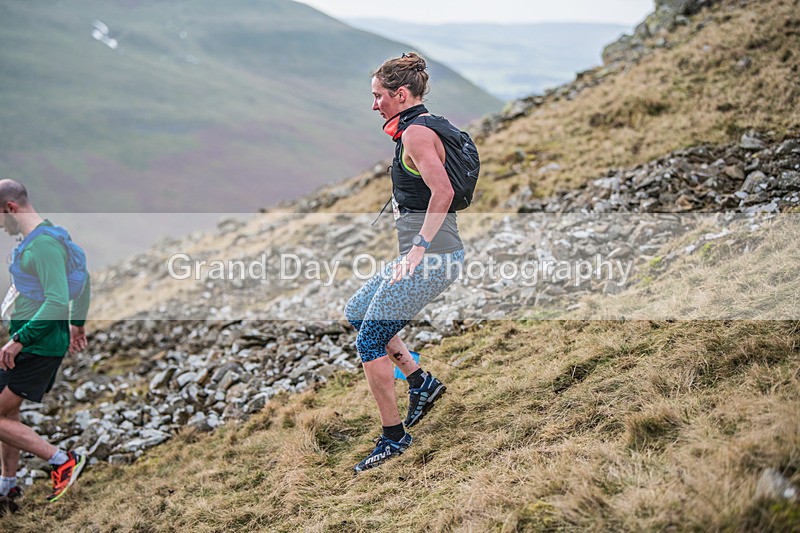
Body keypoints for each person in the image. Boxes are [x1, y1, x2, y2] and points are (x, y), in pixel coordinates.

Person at [345, 53, 468, 472]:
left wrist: (418, 246)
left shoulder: (416, 133)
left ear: (401, 94)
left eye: (378, 96)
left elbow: (444, 191)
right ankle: (421, 382)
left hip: (433, 259)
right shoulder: (422, 124)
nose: (374, 104)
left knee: (369, 342)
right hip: (423, 256)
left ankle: (394, 438)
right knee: (358, 312)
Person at [0, 179, 90, 505]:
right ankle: (7, 485)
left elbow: (55, 301)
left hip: (36, 346)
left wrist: (19, 340)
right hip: (31, 342)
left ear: (11, 208)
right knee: (6, 415)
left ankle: (62, 460)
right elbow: (84, 273)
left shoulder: (43, 246)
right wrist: (78, 323)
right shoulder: (48, 233)